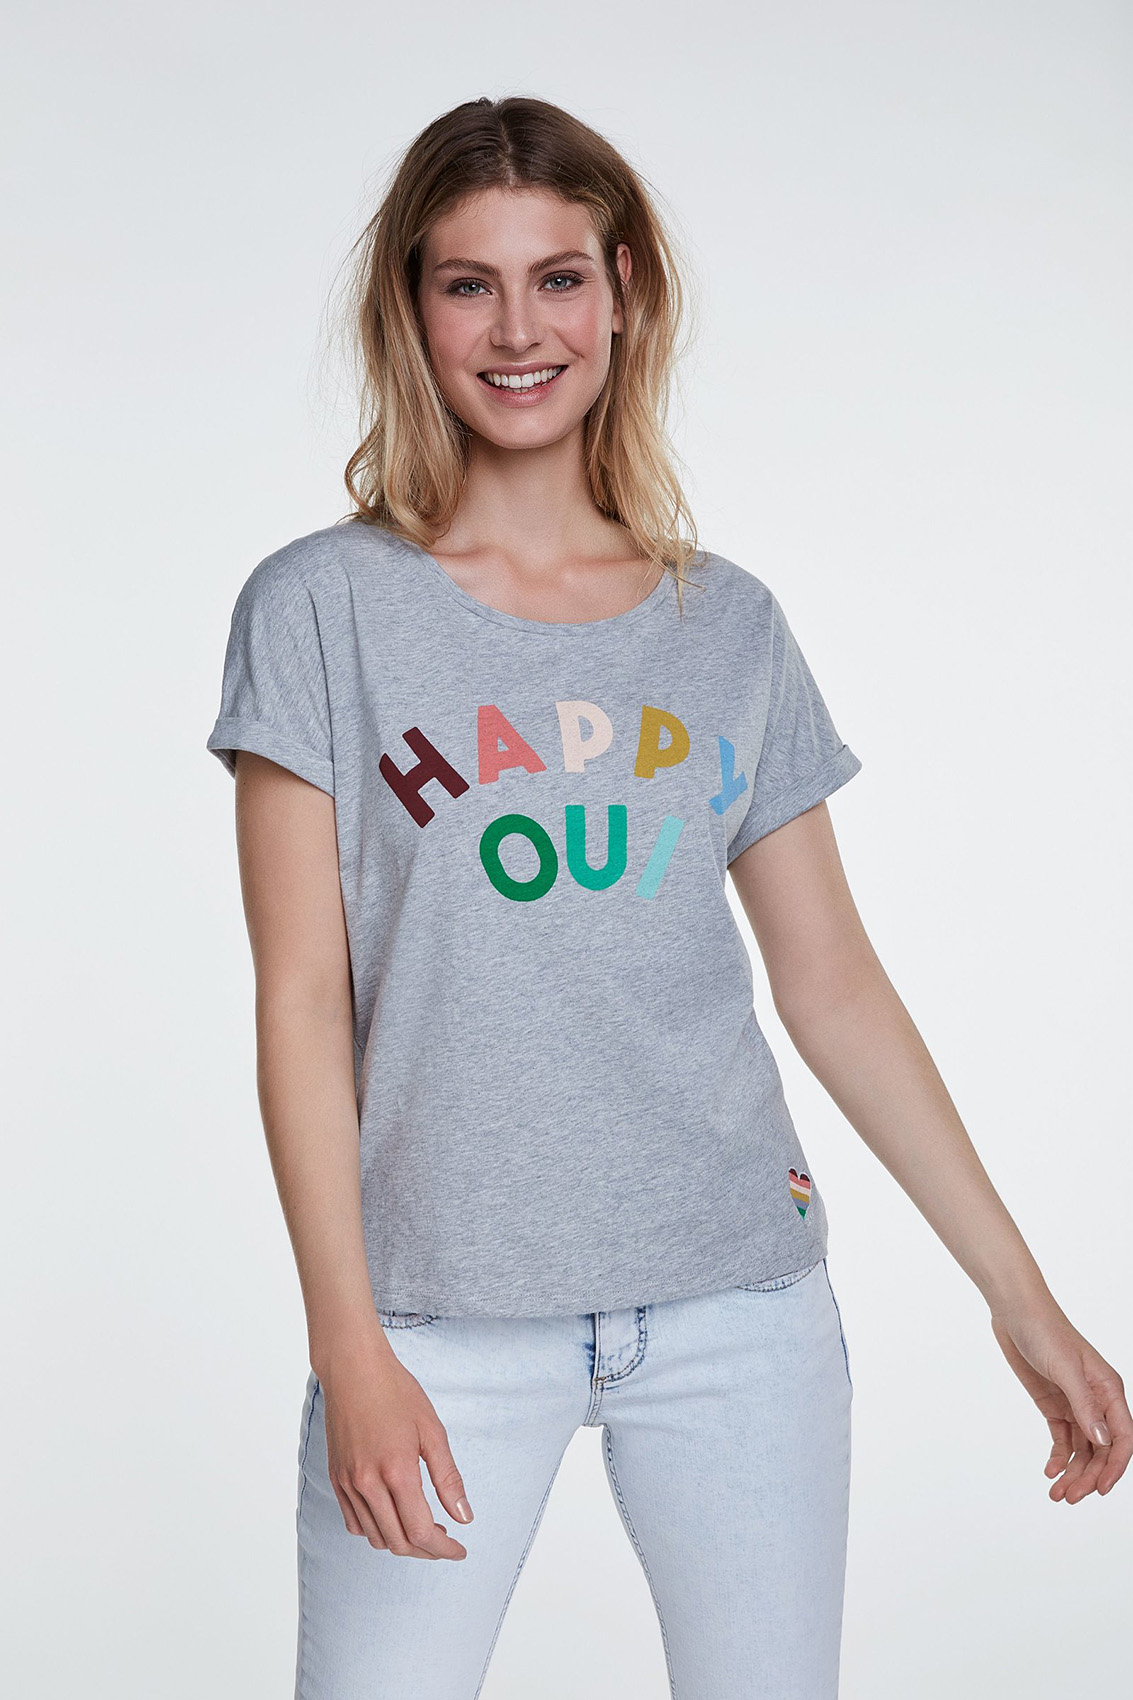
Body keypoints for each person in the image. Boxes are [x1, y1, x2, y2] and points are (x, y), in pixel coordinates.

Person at [205, 95, 1129, 1700]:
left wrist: (1020, 1298)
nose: (519, 331)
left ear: (622, 292)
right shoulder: (320, 611)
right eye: (468, 283)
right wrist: (347, 1348)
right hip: (436, 1314)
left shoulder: (725, 627)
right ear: (411, 308)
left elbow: (832, 986)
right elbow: (300, 1004)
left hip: (736, 1306)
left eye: (558, 278)